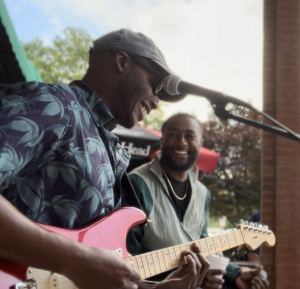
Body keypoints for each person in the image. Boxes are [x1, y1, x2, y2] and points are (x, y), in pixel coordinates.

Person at [0, 29, 209, 289]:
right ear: (122, 62)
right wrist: (75, 261)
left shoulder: (108, 147)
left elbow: (92, 270)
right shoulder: (56, 105)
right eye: (156, 85)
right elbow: (82, 263)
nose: (157, 102)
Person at [125, 113, 269, 289]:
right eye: (173, 134)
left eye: (190, 136)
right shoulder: (136, 183)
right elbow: (127, 259)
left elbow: (203, 247)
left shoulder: (203, 193)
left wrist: (236, 274)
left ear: (200, 144)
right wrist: (188, 276)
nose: (182, 142)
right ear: (162, 142)